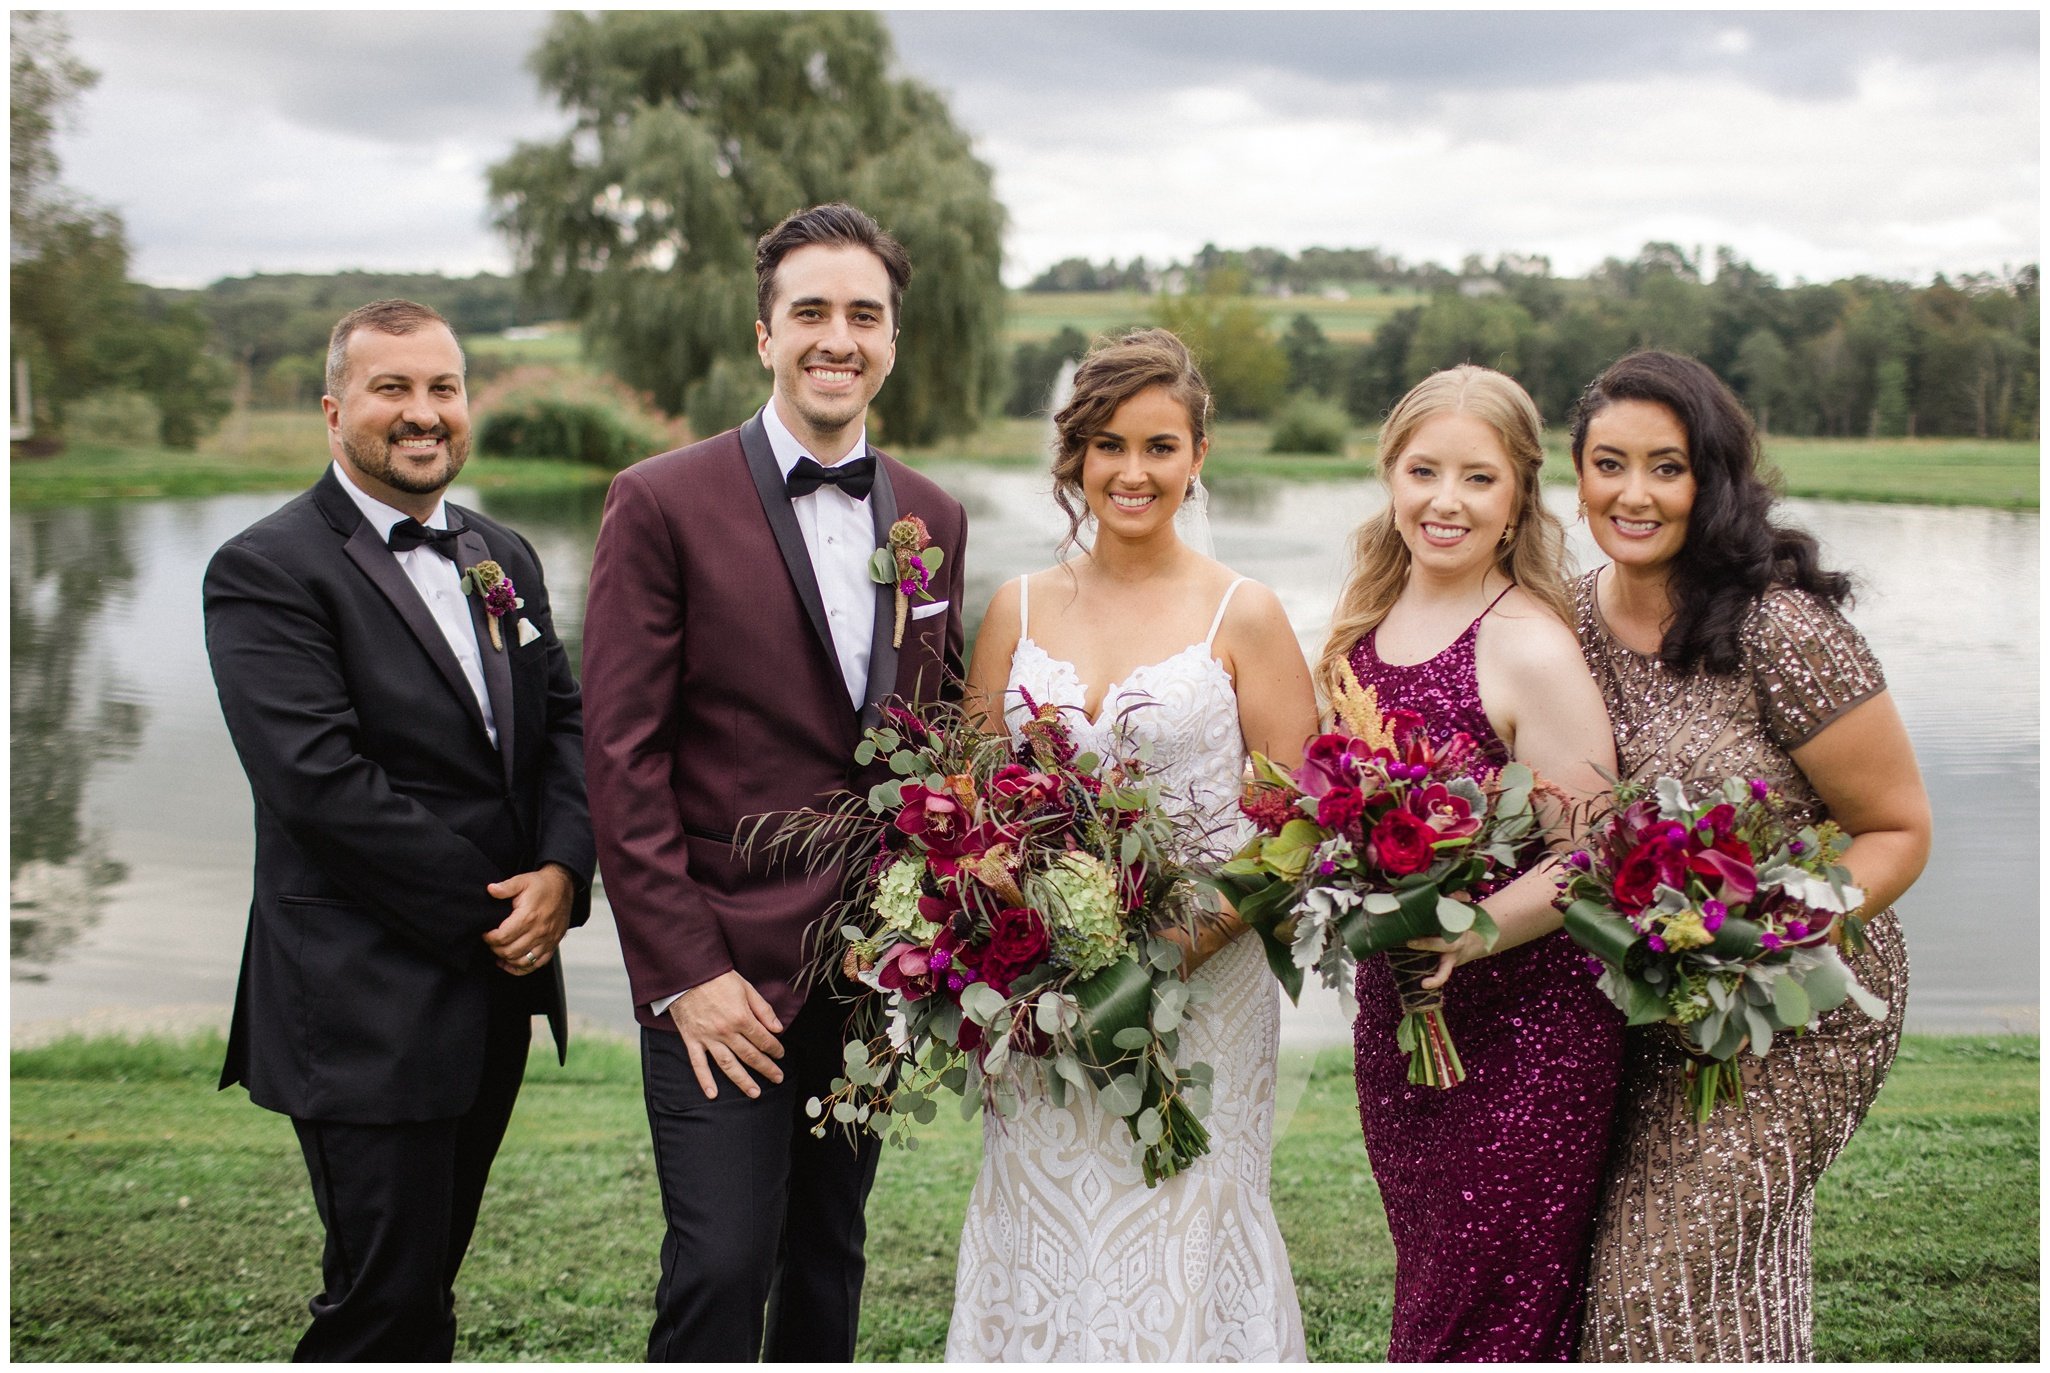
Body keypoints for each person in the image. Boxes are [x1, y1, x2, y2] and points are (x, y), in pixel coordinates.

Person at [581, 203, 967, 1362]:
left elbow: (930, 747)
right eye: (810, 312)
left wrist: (924, 938)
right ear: (764, 334)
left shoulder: (932, 515)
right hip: (721, 974)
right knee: (717, 1264)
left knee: (826, 1258)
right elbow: (620, 755)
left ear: (893, 337)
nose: (835, 337)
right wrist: (684, 972)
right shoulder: (659, 500)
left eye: (863, 314)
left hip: (866, 973)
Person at [203, 299, 594, 1361]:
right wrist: (497, 908)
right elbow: (319, 784)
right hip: (361, 999)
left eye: (442, 388)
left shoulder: (498, 551)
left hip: (494, 990)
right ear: (335, 412)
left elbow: (564, 719)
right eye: (393, 389)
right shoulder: (266, 568)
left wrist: (562, 867)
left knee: (423, 1280)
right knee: (382, 1302)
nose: (423, 413)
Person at [946, 328, 1319, 1361]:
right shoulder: (1017, 606)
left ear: (1198, 454)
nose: (1132, 470)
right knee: (1043, 1210)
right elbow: (971, 801)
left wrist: (1172, 940)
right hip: (1044, 978)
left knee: (1186, 1209)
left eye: (1159, 445)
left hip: (1204, 974)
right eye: (1107, 445)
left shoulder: (1244, 613)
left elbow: (1300, 824)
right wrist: (1016, 919)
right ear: (1073, 457)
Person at [1568, 350, 1928, 1361]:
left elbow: (1898, 829)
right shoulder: (1561, 613)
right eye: (1608, 463)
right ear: (1577, 470)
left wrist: (1759, 936)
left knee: (1657, 1285)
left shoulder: (1781, 627)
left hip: (1798, 1007)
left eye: (1665, 466)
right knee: (1724, 1278)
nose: (1631, 493)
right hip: (1643, 1009)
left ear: (1710, 478)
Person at [1313, 364, 1623, 1360]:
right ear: (1390, 474)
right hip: (1399, 1018)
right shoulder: (1363, 619)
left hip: (1526, 1033)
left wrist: (1473, 929)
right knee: (1434, 1275)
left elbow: (1592, 848)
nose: (1444, 500)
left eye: (1476, 478)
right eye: (1422, 470)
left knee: (1488, 1304)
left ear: (1519, 494)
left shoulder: (1527, 640)